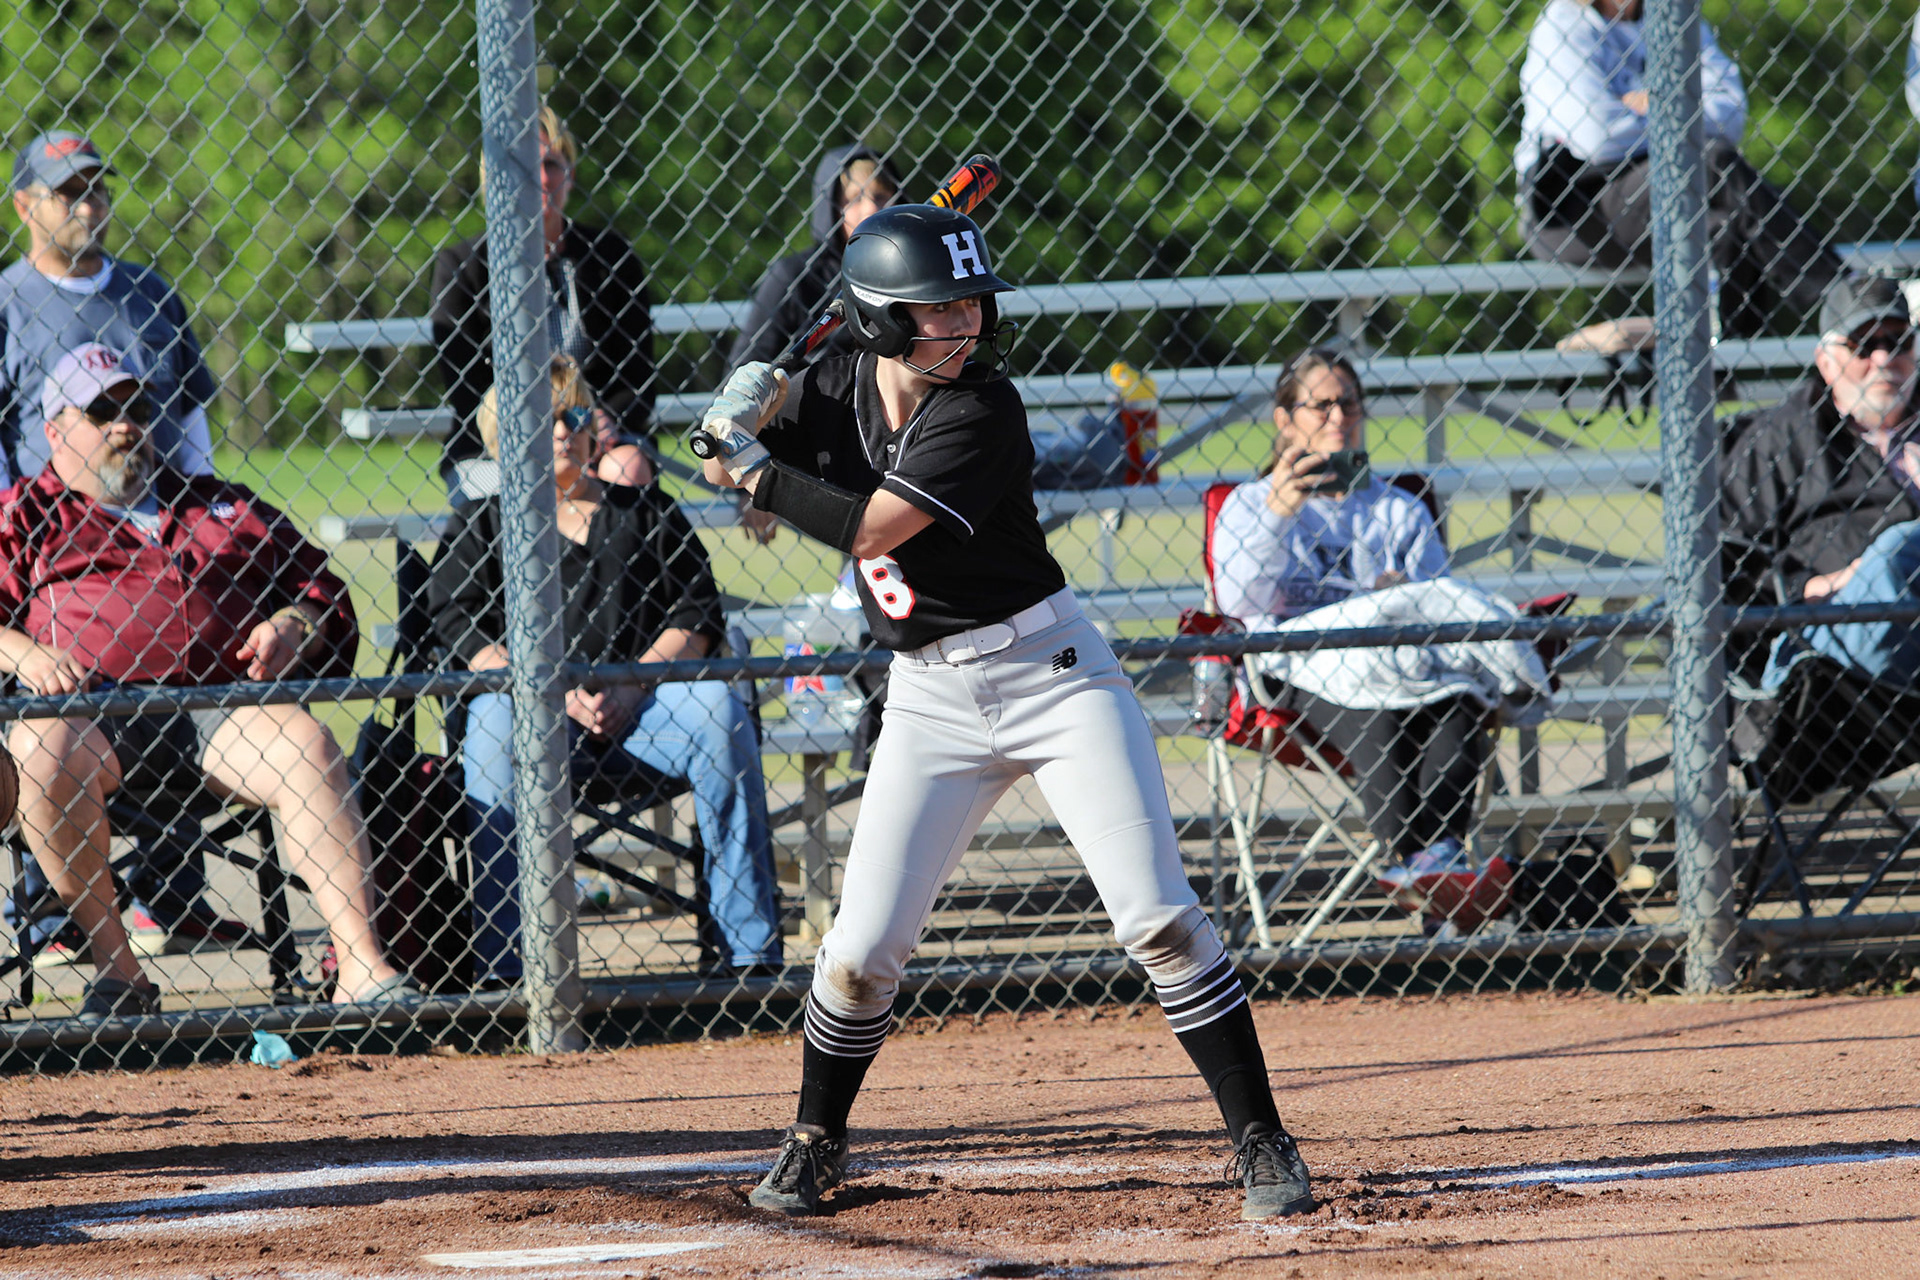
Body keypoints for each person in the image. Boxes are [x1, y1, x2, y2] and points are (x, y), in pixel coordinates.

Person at [699, 204, 1315, 1222]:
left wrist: (751, 457)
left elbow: (866, 528)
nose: (967, 324)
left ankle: (1262, 1138)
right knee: (859, 953)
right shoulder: (835, 384)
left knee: (1158, 918)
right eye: (940, 311)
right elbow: (728, 470)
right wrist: (744, 407)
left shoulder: (983, 408)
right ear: (881, 321)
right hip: (928, 698)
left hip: (1053, 676)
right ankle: (814, 1140)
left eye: (971, 306)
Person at [0, 344, 413, 1018]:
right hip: (91, 720)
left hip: (222, 710)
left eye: (137, 407)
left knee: (307, 743)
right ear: (53, 430)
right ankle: (118, 974)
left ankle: (362, 966)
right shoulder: (26, 515)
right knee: (39, 749)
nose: (126, 424)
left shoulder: (219, 503)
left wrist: (294, 625)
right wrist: (23, 653)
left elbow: (322, 592)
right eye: (102, 411)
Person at [429, 356, 782, 988]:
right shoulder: (484, 523)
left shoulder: (642, 510)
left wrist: (632, 681)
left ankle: (748, 955)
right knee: (489, 724)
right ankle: (506, 970)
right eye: (542, 419)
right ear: (505, 436)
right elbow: (456, 623)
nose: (562, 431)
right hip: (532, 713)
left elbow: (696, 611)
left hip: (644, 707)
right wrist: (545, 691)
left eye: (574, 416)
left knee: (720, 714)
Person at [1, 129, 245, 959]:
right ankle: (53, 911)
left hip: (153, 523)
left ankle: (172, 898)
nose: (88, 203)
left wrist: (200, 517)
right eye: (67, 190)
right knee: (55, 708)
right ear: (25, 205)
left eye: (96, 187)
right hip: (45, 547)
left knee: (174, 655)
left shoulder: (148, 292)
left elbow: (189, 421)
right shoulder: (8, 302)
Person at [1211, 349, 1494, 922]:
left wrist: (1401, 592)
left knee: (1462, 701)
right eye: (1321, 406)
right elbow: (1237, 605)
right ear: (1285, 419)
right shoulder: (1248, 504)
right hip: (1298, 666)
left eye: (1349, 404)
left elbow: (1438, 602)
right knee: (1379, 711)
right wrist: (1278, 514)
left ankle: (1430, 861)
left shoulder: (1397, 508)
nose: (1338, 417)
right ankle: (1418, 862)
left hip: (1397, 661)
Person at [1516, 0, 1843, 336]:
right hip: (1573, 207)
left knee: (1729, 225)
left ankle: (1726, 357)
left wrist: (1649, 107)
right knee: (1710, 160)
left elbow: (1730, 115)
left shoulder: (1675, 16)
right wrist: (1679, 105)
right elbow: (1598, 136)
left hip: (1663, 184)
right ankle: (1839, 293)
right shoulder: (1563, 24)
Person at [1723, 272, 1920, 800]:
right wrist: (1821, 585)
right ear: (1827, 361)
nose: (1883, 358)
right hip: (1831, 663)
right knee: (1900, 552)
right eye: (1863, 344)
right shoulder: (1781, 439)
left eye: (1898, 341)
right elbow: (1730, 569)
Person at [430, 103, 652, 506]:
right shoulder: (462, 267)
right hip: (499, 442)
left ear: (569, 175)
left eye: (551, 164)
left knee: (628, 470)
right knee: (496, 494)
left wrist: (597, 425)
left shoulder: (611, 256)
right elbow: (465, 386)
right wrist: (536, 433)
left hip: (592, 435)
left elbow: (636, 370)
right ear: (494, 180)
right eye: (524, 166)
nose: (540, 178)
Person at [724, 145, 899, 545]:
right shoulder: (796, 275)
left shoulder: (907, 277)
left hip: (892, 435)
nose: (871, 209)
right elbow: (748, 367)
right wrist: (751, 477)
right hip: (814, 438)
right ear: (831, 207)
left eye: (882, 195)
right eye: (854, 198)